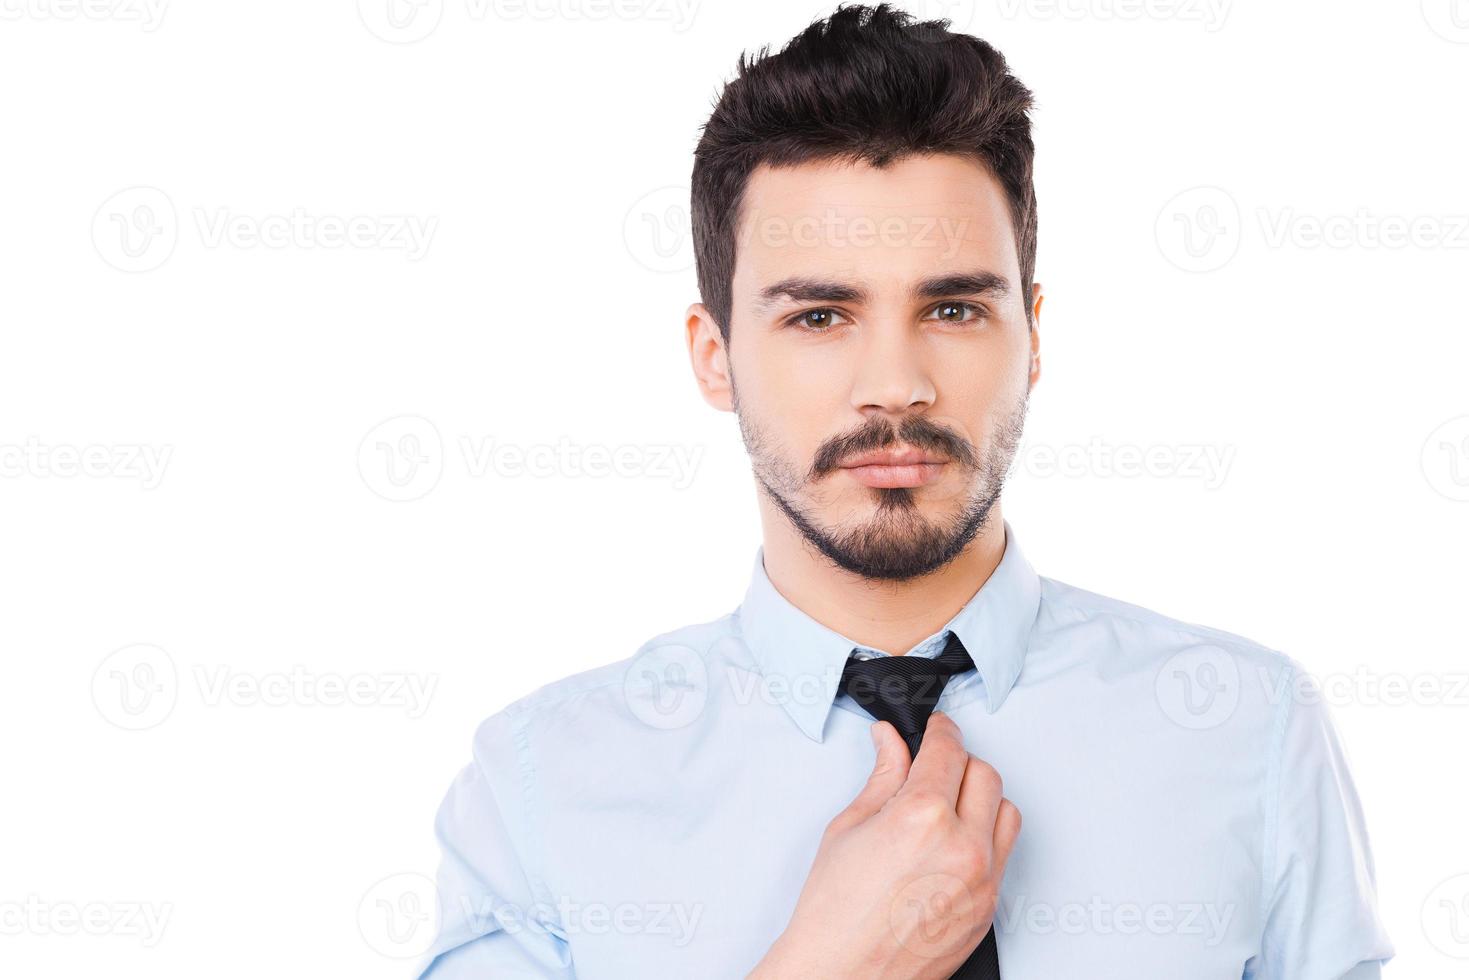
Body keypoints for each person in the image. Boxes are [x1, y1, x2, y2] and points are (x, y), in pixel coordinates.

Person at [414, 5, 1392, 977]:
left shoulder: (1247, 729)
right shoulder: (537, 787)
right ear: (714, 359)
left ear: (1033, 338)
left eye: (954, 307)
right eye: (820, 315)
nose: (894, 381)